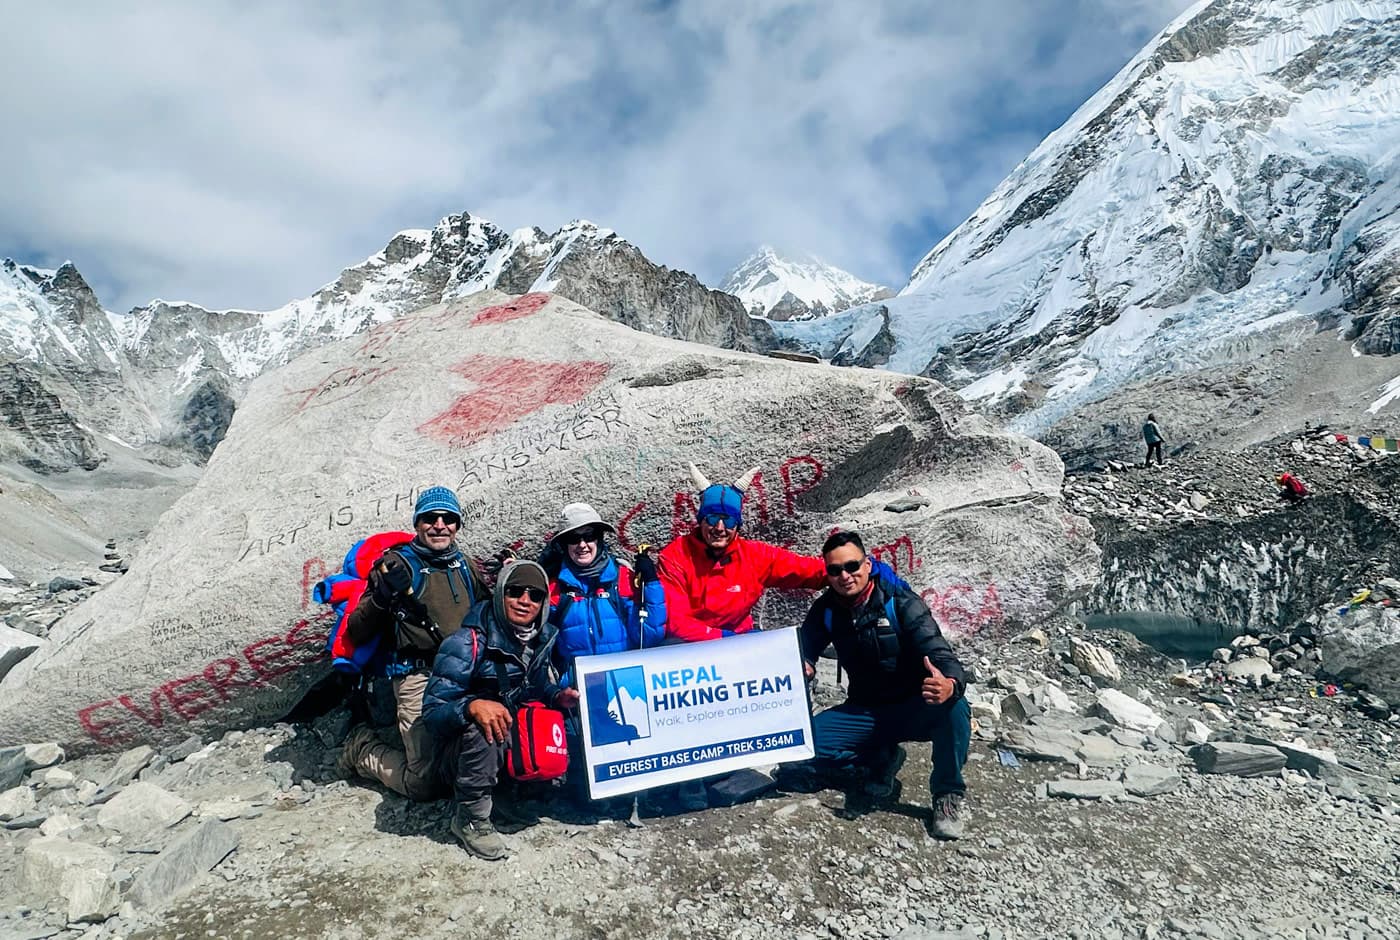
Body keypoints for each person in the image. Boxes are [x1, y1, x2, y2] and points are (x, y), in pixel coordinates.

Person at [797, 531, 972, 840]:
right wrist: (805, 664)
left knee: (955, 707)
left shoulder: (901, 603)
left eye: (852, 566)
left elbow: (941, 654)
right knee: (804, 746)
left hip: (914, 706)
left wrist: (949, 683)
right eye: (835, 570)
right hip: (865, 710)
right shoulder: (826, 610)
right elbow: (804, 649)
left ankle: (947, 794)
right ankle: (880, 757)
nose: (844, 576)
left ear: (868, 565)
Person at [337, 486, 488, 800]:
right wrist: (383, 595)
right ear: (417, 523)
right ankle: (361, 748)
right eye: (430, 518)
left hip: (462, 674)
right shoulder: (396, 565)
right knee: (424, 784)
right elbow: (356, 631)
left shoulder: (463, 565)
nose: (439, 525)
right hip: (416, 676)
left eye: (448, 518)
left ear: (457, 525)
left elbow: (486, 613)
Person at [422, 560, 564, 860]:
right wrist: (471, 706)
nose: (524, 601)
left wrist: (557, 696)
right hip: (459, 752)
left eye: (535, 595)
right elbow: (433, 714)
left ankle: (505, 796)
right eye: (515, 591)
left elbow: (536, 688)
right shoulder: (466, 642)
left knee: (540, 717)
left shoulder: (539, 638)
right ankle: (471, 817)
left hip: (499, 744)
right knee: (486, 726)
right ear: (500, 594)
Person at [544, 503, 666, 816]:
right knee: (587, 796)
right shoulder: (554, 588)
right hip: (578, 693)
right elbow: (542, 644)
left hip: (623, 686)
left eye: (590, 536)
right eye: (574, 538)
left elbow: (650, 634)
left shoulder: (623, 577)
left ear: (600, 539)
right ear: (563, 545)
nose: (582, 544)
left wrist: (651, 584)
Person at [658, 464, 828, 642]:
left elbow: (807, 570)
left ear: (737, 526)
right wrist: (726, 639)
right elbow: (676, 621)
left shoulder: (754, 555)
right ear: (701, 521)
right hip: (692, 646)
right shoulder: (675, 556)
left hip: (741, 642)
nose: (720, 528)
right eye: (712, 519)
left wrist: (842, 570)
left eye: (729, 521)